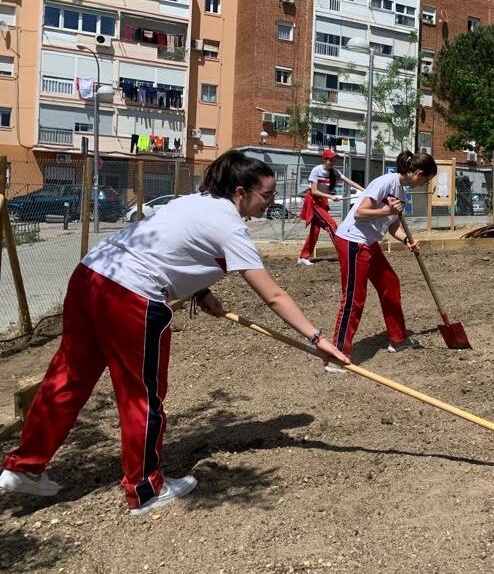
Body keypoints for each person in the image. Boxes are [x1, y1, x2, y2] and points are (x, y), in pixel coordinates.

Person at [0, 150, 349, 515]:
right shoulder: (229, 224)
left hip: (91, 277)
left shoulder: (195, 202)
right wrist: (317, 341)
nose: (271, 202)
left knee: (68, 377)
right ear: (242, 192)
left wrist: (201, 291)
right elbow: (273, 295)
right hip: (131, 297)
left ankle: (24, 466)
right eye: (267, 195)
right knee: (142, 394)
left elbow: (175, 246)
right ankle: (145, 489)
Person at [331, 150, 436, 358]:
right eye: (426, 180)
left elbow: (392, 226)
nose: (424, 184)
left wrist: (407, 240)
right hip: (353, 240)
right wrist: (387, 211)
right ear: (418, 173)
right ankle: (337, 354)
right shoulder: (385, 182)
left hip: (369, 242)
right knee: (354, 297)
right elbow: (361, 213)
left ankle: (398, 339)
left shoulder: (402, 193)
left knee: (390, 283)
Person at [298, 149, 349, 266]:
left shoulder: (334, 172)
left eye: (333, 160)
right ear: (324, 160)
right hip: (314, 202)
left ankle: (303, 256)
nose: (332, 162)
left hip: (322, 203)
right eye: (329, 160)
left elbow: (349, 181)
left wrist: (364, 190)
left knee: (314, 231)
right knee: (331, 225)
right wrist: (331, 196)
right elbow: (314, 191)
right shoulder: (316, 170)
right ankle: (343, 253)